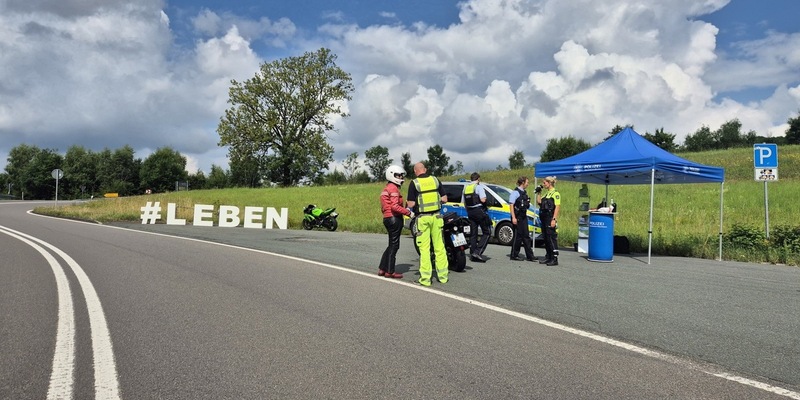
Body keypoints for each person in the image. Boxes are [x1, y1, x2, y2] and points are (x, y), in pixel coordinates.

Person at [406, 162, 448, 286]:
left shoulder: (414, 183)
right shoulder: (435, 180)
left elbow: (411, 204)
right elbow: (445, 198)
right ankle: (443, 276)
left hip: (423, 219)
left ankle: (425, 279)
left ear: (415, 172)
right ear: (425, 169)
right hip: (437, 217)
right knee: (439, 247)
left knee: (424, 249)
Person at [379, 165, 414, 279]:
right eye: (398, 175)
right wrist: (408, 212)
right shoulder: (394, 188)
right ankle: (390, 271)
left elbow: (385, 206)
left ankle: (382, 269)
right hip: (394, 218)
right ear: (392, 175)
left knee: (391, 245)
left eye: (401, 175)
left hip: (387, 218)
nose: (401, 177)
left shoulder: (386, 188)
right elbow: (394, 206)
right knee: (395, 246)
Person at [464, 172, 491, 262]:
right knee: (487, 232)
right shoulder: (479, 187)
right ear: (478, 179)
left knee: (473, 233)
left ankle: (472, 253)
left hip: (470, 211)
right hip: (479, 211)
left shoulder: (466, 188)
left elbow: (465, 203)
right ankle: (478, 252)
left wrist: (468, 211)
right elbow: (483, 199)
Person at [508, 176, 535, 262]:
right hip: (517, 216)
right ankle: (514, 255)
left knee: (526, 236)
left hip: (523, 216)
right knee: (518, 236)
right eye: (527, 182)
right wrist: (513, 217)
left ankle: (530, 256)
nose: (528, 184)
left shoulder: (524, 193)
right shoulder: (515, 192)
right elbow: (511, 205)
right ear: (522, 182)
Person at [536, 176, 561, 265]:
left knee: (551, 237)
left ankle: (554, 258)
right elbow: (539, 202)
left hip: (550, 217)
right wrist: (539, 192)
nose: (543, 184)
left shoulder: (555, 193)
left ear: (549, 183)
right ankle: (548, 256)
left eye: (544, 183)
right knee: (546, 237)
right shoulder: (547, 194)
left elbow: (557, 206)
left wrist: (554, 219)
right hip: (543, 217)